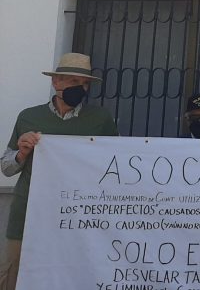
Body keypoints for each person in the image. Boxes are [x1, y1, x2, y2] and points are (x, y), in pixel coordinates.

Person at [0, 53, 118, 290]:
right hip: (28, 212)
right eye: (74, 82)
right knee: (14, 272)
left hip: (76, 215)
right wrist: (22, 152)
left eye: (84, 84)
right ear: (56, 82)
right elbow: (6, 167)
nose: (80, 88)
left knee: (69, 273)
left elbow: (111, 163)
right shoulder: (29, 116)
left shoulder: (100, 119)